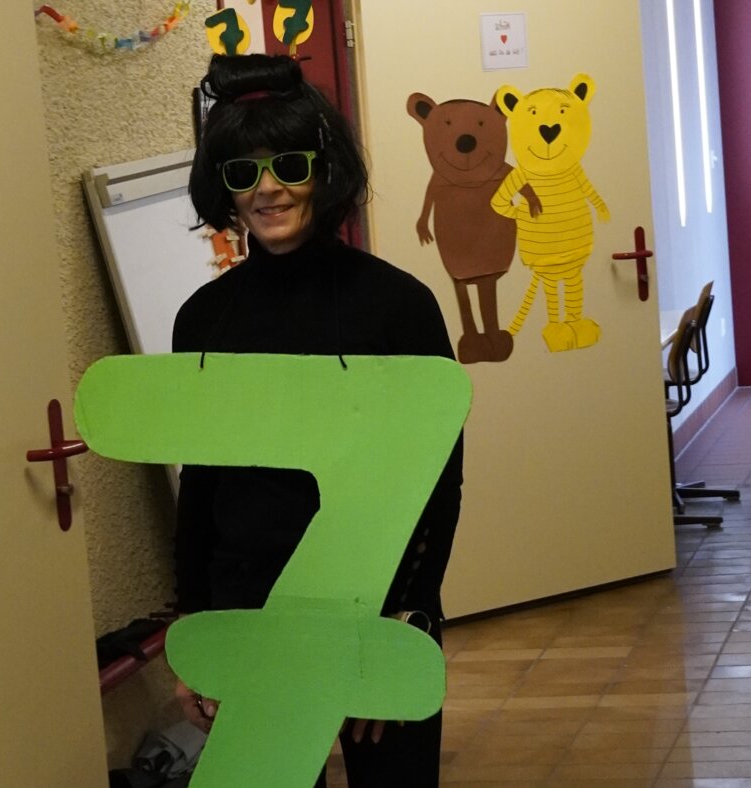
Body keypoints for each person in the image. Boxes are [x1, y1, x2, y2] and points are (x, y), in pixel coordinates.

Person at [172, 54, 462, 787]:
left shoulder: (398, 307)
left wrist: (404, 621)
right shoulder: (203, 319)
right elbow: (201, 490)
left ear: (325, 171)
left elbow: (436, 482)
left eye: (289, 165)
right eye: (243, 171)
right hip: (249, 612)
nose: (267, 188)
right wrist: (196, 636)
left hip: (376, 610)